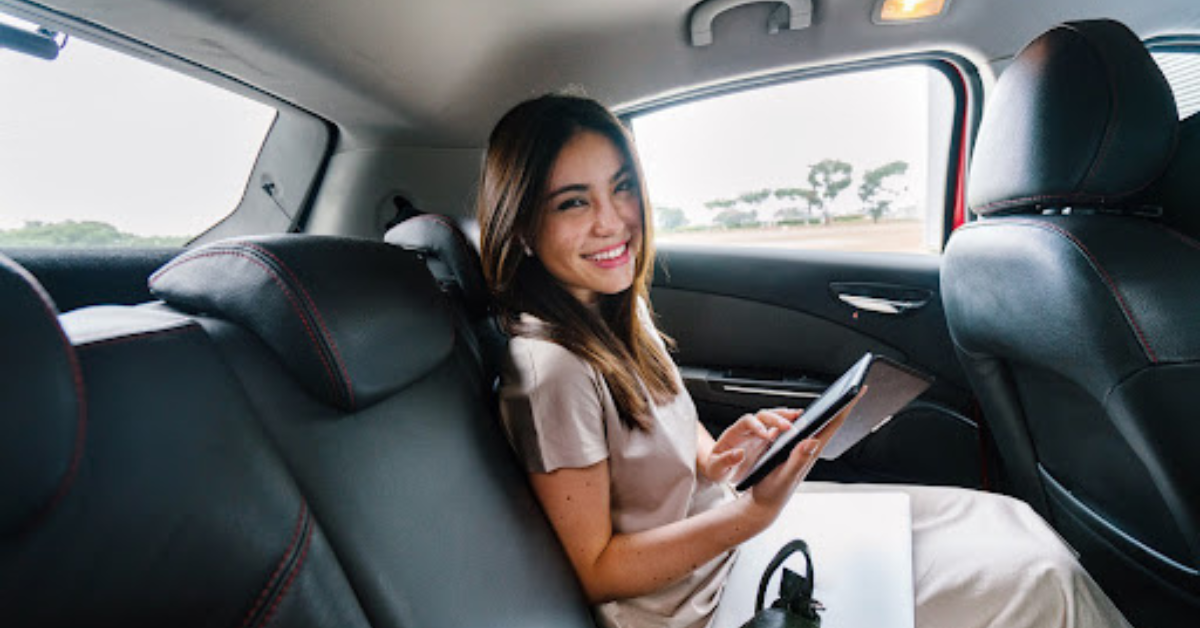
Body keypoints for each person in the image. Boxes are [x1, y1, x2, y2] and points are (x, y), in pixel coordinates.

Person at [477, 92, 1131, 628]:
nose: (614, 221)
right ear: (523, 228)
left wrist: (720, 457)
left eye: (621, 188)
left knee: (1006, 519)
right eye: (573, 202)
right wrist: (748, 515)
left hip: (725, 535)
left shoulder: (617, 311)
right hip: (693, 603)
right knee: (1036, 578)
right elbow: (596, 568)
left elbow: (671, 437)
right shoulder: (551, 370)